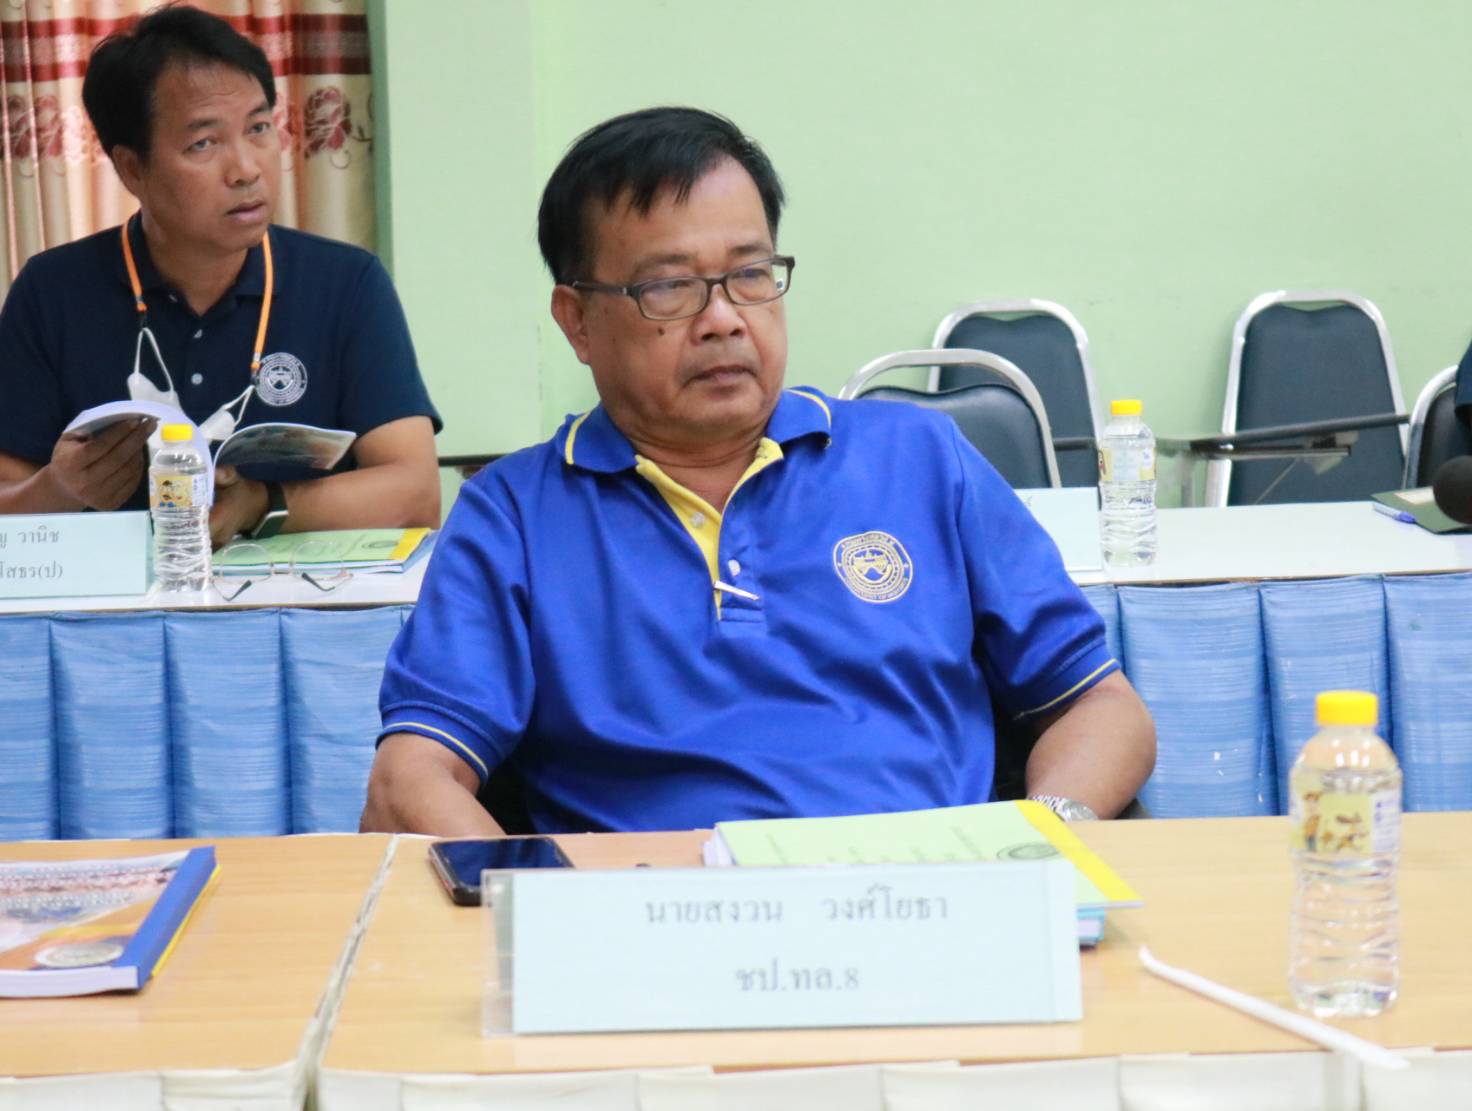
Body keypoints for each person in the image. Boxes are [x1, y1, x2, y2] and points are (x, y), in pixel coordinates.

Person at [362, 107, 1155, 836]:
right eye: (670, 286)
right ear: (577, 321)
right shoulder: (514, 516)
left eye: (749, 274)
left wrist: (1040, 842)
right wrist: (534, 909)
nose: (723, 319)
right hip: (653, 914)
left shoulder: (920, 459)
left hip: (927, 896)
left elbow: (1101, 706)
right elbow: (409, 780)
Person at [0, 5, 440, 544]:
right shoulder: (52, 291)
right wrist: (60, 489)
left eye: (258, 128)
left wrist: (261, 504)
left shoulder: (347, 284)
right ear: (132, 168)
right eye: (203, 143)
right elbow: (7, 498)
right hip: (117, 596)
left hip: (301, 592)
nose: (247, 169)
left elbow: (416, 493)